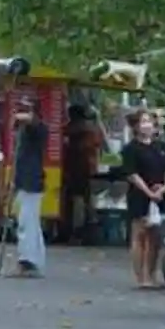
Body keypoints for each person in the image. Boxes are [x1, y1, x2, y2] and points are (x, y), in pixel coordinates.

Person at [121, 108, 165, 289]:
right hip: (140, 195)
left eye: (150, 121)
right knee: (140, 234)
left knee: (156, 237)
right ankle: (140, 277)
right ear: (135, 126)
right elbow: (132, 174)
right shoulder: (130, 149)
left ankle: (152, 274)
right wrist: (148, 192)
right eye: (143, 122)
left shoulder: (162, 147)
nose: (147, 125)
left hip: (160, 195)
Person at [8, 97, 48, 278]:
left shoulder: (38, 128)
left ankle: (27, 260)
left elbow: (32, 121)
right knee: (29, 222)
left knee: (27, 222)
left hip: (32, 180)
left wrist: (21, 116)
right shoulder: (24, 132)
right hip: (24, 179)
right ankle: (34, 258)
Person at [62, 104, 101, 244]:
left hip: (78, 169)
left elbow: (77, 146)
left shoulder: (77, 129)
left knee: (76, 201)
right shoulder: (91, 129)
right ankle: (83, 231)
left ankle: (76, 232)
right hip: (85, 169)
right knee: (84, 200)